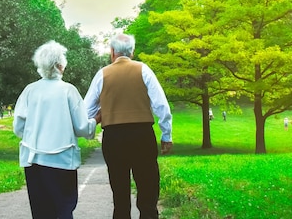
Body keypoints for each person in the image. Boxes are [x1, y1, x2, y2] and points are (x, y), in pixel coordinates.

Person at [84, 33, 173, 219]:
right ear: (132, 52)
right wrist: (166, 135)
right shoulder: (144, 70)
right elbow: (162, 106)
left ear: (112, 52)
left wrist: (100, 115)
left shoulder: (102, 74)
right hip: (142, 135)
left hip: (114, 137)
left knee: (120, 192)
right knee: (148, 189)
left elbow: (87, 110)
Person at [13, 40, 99, 219]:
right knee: (64, 208)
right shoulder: (69, 91)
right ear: (60, 65)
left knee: (41, 212)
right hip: (62, 160)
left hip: (34, 160)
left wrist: (34, 135)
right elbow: (82, 127)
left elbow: (18, 127)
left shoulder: (30, 91)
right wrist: (96, 119)